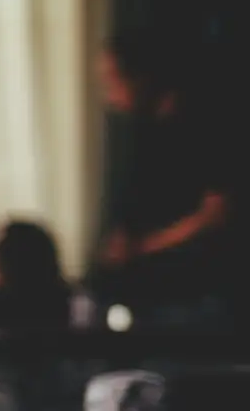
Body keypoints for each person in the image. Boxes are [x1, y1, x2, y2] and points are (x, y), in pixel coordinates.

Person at [95, 27, 236, 326]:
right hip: (156, 296)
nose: (110, 96)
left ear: (143, 76)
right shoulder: (144, 133)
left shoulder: (205, 126)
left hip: (197, 299)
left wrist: (144, 246)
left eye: (114, 80)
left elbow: (218, 213)